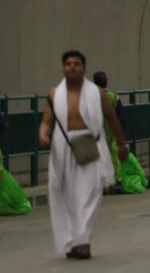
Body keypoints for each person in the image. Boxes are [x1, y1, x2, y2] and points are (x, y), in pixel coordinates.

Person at [38, 50, 129, 259]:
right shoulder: (54, 94)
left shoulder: (97, 93)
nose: (72, 67)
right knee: (67, 195)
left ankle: (83, 240)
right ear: (63, 67)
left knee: (90, 193)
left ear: (83, 68)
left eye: (76, 64)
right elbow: (47, 120)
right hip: (63, 147)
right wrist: (43, 133)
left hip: (90, 145)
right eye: (68, 63)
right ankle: (72, 241)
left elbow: (112, 119)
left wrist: (121, 146)